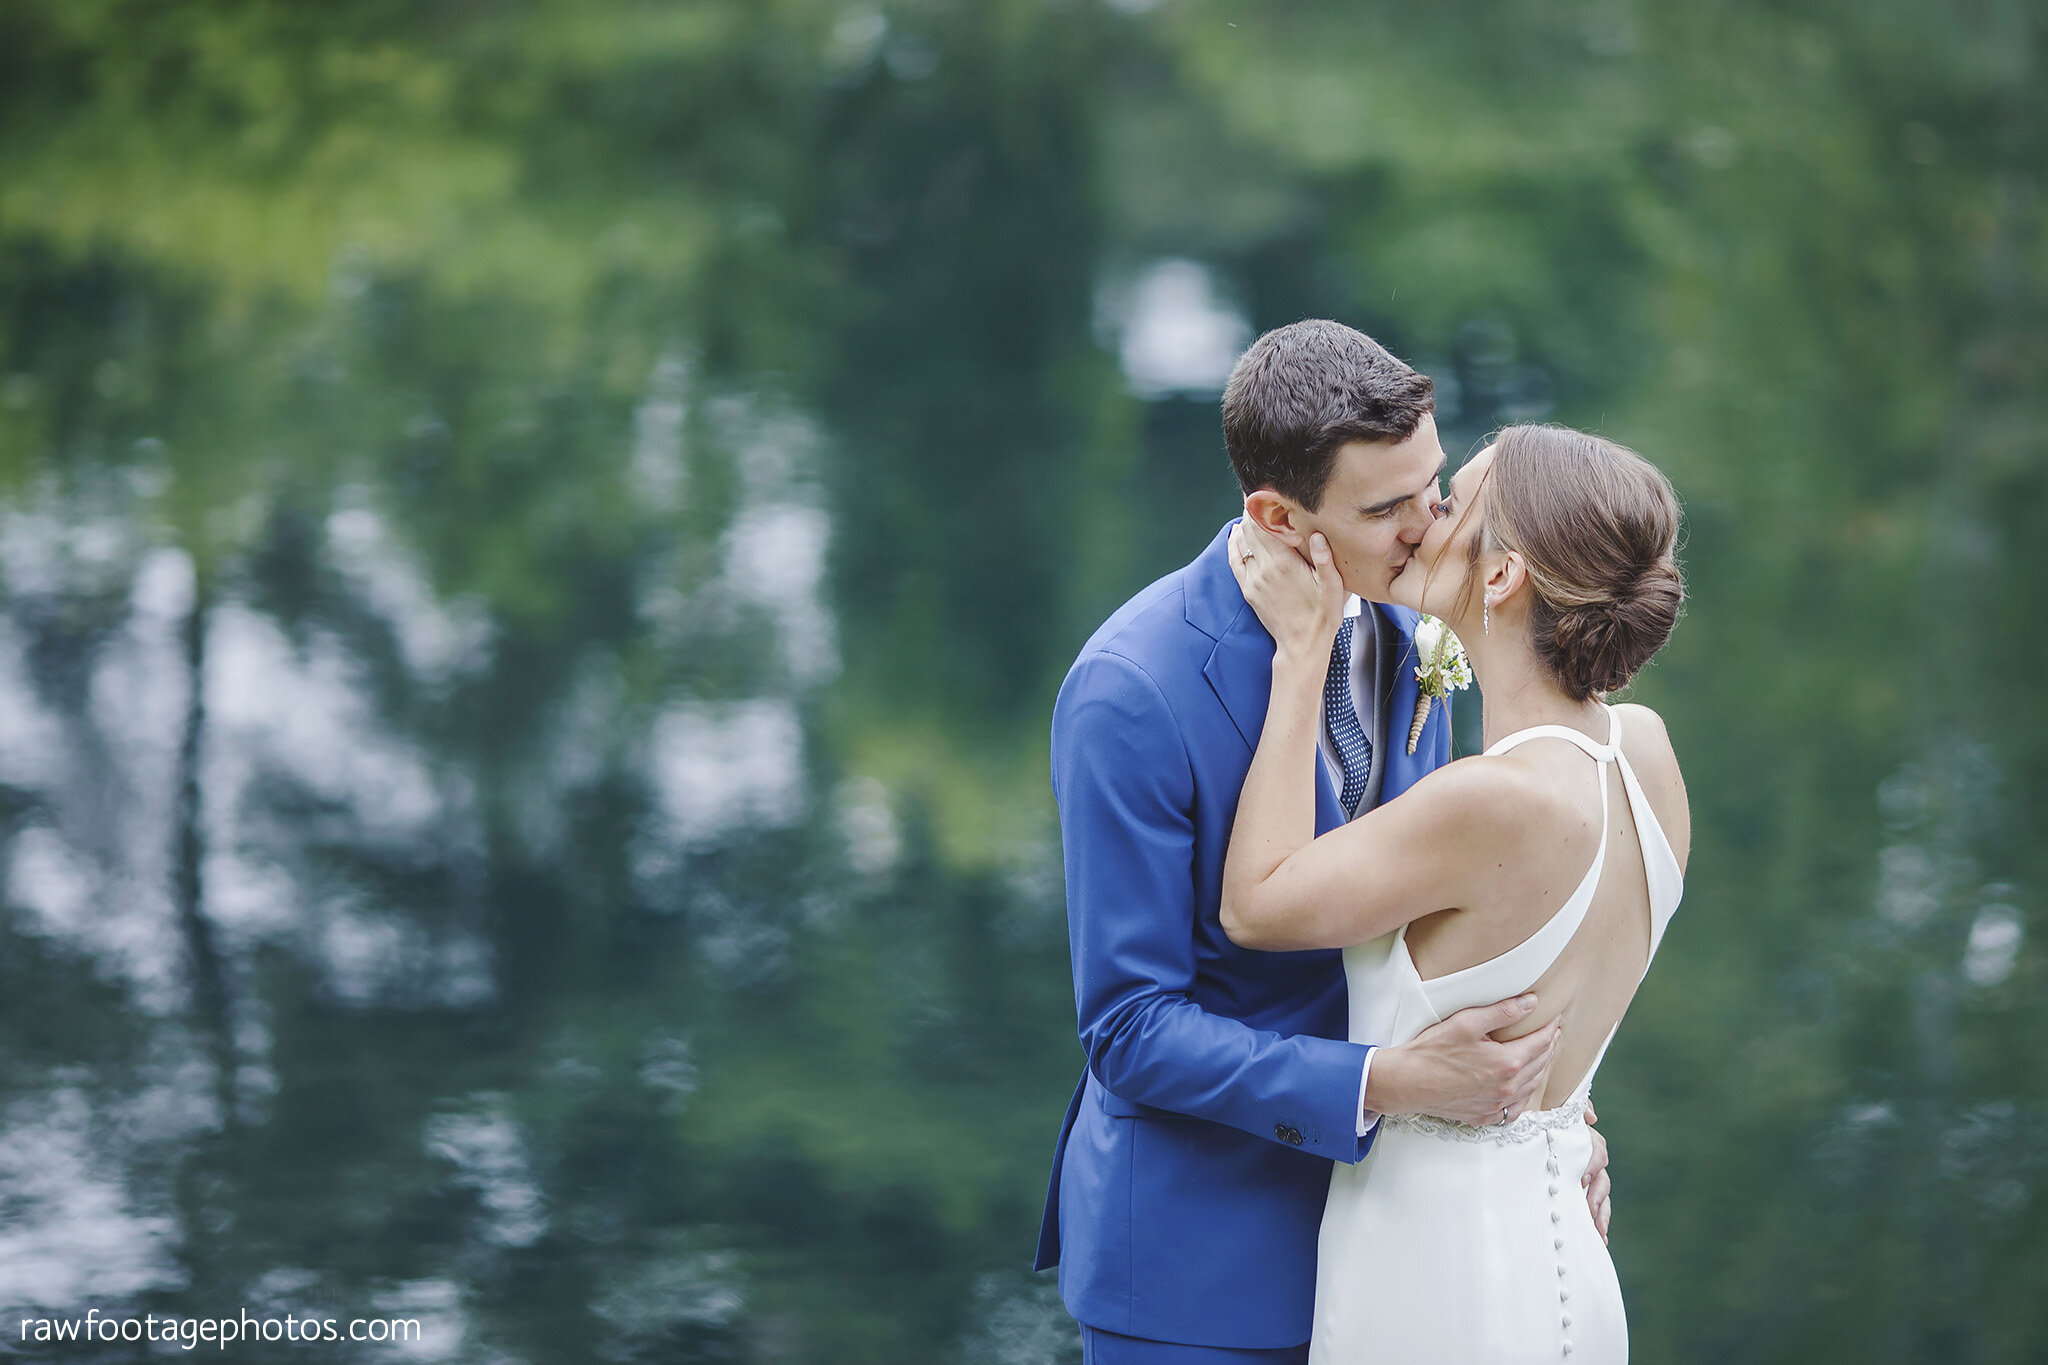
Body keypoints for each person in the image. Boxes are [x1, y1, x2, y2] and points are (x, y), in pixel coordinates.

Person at [1034, 321, 1610, 1364]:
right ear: (1274, 517)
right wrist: (1385, 1082)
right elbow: (1127, 1030)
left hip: (1397, 1244)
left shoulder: (1409, 629)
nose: (1429, 528)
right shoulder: (1131, 691)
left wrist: (1551, 1118)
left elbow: (1454, 926)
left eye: (1432, 488)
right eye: (1386, 509)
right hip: (1195, 1275)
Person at [1222, 421, 1688, 1363]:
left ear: (1506, 576)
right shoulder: (1646, 753)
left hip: (1438, 1278)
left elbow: (1256, 903)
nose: (1424, 518)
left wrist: (1303, 655)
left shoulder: (1494, 798)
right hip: (1574, 1265)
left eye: (1453, 499)